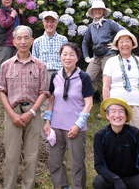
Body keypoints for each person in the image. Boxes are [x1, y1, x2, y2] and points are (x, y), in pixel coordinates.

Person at [0, 25, 49, 189]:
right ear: (14, 41)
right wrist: (12, 114)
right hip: (13, 112)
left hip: (33, 113)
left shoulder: (40, 65)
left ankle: (28, 186)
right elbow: (1, 91)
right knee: (11, 156)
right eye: (19, 38)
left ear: (32, 41)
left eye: (26, 38)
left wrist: (32, 112)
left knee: (31, 156)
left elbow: (44, 92)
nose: (23, 41)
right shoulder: (6, 65)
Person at [43, 42, 94, 189]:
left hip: (75, 127)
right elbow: (51, 99)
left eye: (72, 54)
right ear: (60, 57)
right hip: (56, 126)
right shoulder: (55, 76)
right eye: (64, 54)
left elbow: (89, 103)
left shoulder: (83, 77)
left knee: (77, 163)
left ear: (77, 57)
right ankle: (62, 186)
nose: (68, 57)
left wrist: (78, 125)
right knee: (54, 162)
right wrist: (47, 121)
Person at [93, 98, 139, 189]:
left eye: (121, 111)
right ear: (107, 115)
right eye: (113, 111)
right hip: (112, 178)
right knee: (99, 182)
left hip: (133, 176)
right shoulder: (100, 136)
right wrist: (115, 179)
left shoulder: (136, 133)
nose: (117, 115)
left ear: (126, 116)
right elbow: (99, 165)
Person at [102, 29, 139, 137]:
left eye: (127, 41)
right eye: (121, 42)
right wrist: (107, 108)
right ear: (117, 45)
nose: (124, 44)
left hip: (137, 105)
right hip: (116, 106)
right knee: (118, 137)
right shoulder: (111, 62)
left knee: (138, 136)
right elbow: (106, 87)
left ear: (132, 44)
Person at [81, 0, 124, 99]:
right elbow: (84, 42)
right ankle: (95, 93)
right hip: (96, 56)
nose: (97, 11)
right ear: (92, 12)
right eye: (95, 10)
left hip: (109, 55)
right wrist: (87, 57)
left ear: (103, 11)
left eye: (100, 9)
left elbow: (123, 32)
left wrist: (116, 45)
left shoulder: (109, 23)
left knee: (108, 79)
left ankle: (109, 104)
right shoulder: (91, 26)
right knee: (86, 77)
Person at [0, 0, 24, 85]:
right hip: (6, 42)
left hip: (17, 42)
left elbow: (21, 25)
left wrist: (20, 14)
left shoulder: (14, 10)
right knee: (3, 63)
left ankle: (11, 84)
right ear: (1, 1)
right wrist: (12, 16)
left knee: (16, 64)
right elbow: (4, 24)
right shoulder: (0, 12)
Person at [32, 10, 68, 83]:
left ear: (57, 23)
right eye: (47, 21)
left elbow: (67, 59)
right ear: (43, 23)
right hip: (43, 75)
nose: (49, 24)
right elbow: (34, 62)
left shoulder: (63, 40)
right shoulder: (37, 41)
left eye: (52, 21)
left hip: (60, 74)